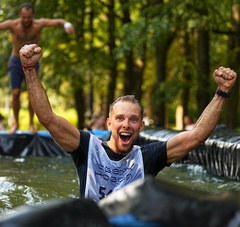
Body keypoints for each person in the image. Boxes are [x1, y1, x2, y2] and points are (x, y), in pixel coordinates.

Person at [19, 44, 236, 203]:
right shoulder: (87, 148)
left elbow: (197, 135)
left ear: (141, 127)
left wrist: (222, 92)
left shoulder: (148, 157)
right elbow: (47, 118)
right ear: (109, 124)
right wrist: (29, 70)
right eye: (120, 118)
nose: (126, 124)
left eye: (133, 120)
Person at [0, 2, 75, 134]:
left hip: (32, 62)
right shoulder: (13, 25)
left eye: (29, 17)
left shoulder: (38, 24)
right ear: (20, 16)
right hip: (16, 61)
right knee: (16, 93)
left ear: (32, 16)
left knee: (32, 94)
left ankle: (30, 124)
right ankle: (16, 123)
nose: (26, 20)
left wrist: (66, 24)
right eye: (24, 17)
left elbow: (57, 21)